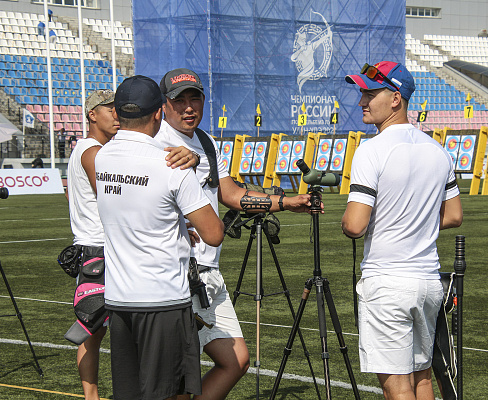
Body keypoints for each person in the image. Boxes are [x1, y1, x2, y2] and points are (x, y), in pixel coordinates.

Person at [155, 67, 317, 400]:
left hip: (208, 273)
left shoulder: (206, 142)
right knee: (177, 377)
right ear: (164, 105)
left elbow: (230, 194)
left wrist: (286, 202)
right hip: (176, 273)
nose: (189, 107)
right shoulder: (155, 142)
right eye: (179, 100)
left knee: (236, 361)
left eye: (195, 98)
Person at [95, 75, 224, 400]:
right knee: (171, 393)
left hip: (119, 298)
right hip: (163, 299)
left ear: (118, 114)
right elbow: (213, 233)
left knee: (130, 393)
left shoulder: (102, 157)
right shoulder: (171, 165)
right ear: (158, 113)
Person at [341, 61, 463, 400]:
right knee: (422, 379)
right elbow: (454, 215)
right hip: (428, 283)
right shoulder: (437, 150)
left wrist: (350, 223)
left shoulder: (371, 149)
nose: (362, 101)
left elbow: (355, 225)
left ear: (396, 98)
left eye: (370, 93)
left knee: (396, 387)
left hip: (388, 284)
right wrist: (414, 222)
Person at [66, 89, 119, 400]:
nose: (116, 114)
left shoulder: (86, 149)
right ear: (92, 115)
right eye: (109, 109)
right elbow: (113, 198)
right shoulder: (94, 151)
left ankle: (92, 396)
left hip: (93, 248)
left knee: (93, 329)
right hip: (100, 250)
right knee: (94, 329)